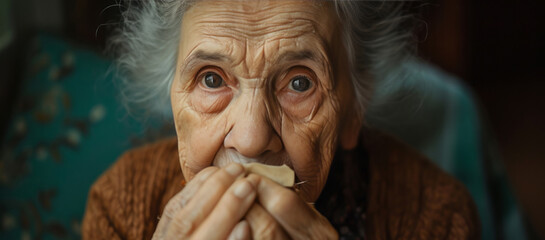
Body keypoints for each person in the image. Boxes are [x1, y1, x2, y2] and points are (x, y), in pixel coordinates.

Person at [82, 0, 481, 239]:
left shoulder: (436, 216)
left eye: (300, 82)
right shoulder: (121, 206)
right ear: (173, 101)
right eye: (211, 79)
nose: (252, 139)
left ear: (351, 113)